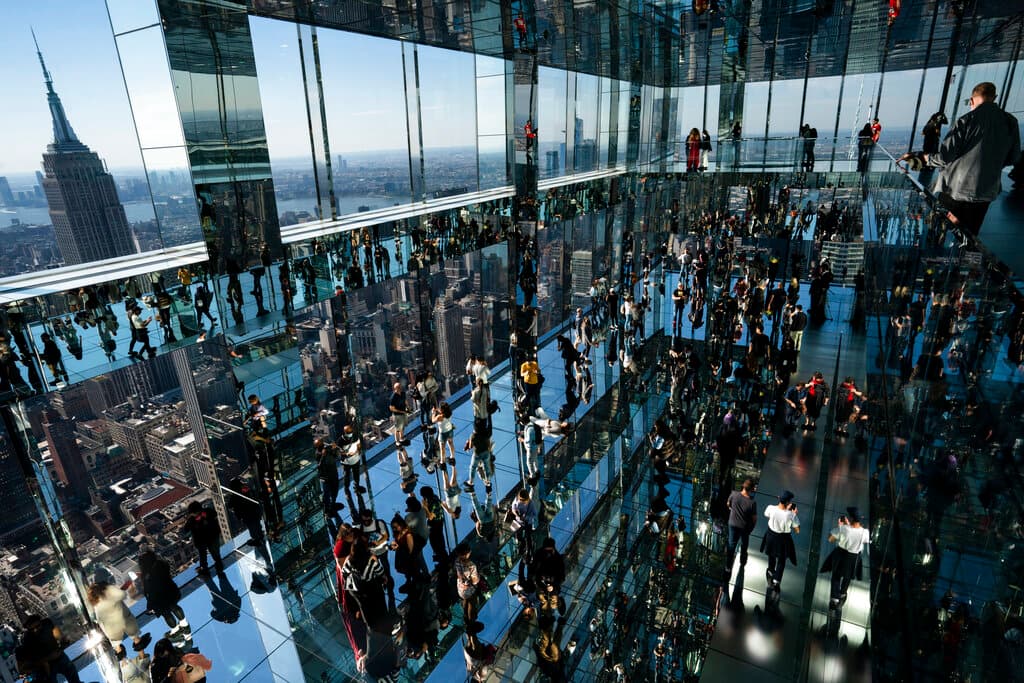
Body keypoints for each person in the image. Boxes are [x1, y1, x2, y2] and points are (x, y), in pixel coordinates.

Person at [900, 82, 1020, 237]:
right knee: (969, 236)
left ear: (971, 100)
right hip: (985, 191)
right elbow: (1014, 156)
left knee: (939, 230)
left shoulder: (966, 120)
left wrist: (923, 158)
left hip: (956, 189)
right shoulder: (1011, 122)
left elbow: (944, 157)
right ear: (994, 98)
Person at [139, 551, 190, 646]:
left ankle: (176, 631)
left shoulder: (147, 575)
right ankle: (185, 624)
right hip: (171, 591)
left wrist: (150, 605)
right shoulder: (161, 564)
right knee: (174, 606)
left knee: (166, 614)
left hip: (160, 599)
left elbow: (148, 592)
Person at [825, 507, 870, 608]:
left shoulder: (843, 529)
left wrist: (841, 526)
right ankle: (842, 594)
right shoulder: (864, 532)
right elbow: (864, 538)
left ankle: (834, 599)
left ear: (851, 518)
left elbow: (830, 539)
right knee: (848, 576)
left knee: (836, 575)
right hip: (854, 558)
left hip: (841, 555)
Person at [15, 615, 82, 683]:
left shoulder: (47, 623)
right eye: (32, 629)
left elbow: (57, 634)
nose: (35, 630)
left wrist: (61, 640)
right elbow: (34, 659)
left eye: (37, 626)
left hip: (58, 657)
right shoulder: (28, 639)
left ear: (40, 621)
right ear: (28, 629)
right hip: (48, 664)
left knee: (71, 672)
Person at [761, 490, 800, 588]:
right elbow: (797, 530)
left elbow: (766, 514)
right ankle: (776, 580)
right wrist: (794, 514)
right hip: (783, 539)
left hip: (771, 535)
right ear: (787, 502)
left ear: (779, 498)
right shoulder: (791, 515)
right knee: (782, 560)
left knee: (771, 555)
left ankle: (770, 571)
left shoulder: (770, 508)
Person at [183, 501, 223, 577]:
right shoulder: (195, 517)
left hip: (205, 539)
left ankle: (207, 569)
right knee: (212, 554)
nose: (191, 514)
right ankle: (217, 567)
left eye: (192, 513)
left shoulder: (204, 514)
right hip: (210, 538)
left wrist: (203, 518)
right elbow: (186, 529)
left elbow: (185, 529)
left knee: (206, 554)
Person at [726, 479, 757, 574]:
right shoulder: (752, 503)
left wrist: (732, 509)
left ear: (743, 486)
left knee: (731, 545)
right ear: (751, 489)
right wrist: (751, 529)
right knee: (744, 544)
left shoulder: (734, 494)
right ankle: (742, 561)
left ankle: (728, 567)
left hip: (732, 524)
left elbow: (728, 504)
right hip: (744, 527)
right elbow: (754, 519)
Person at [338, 424, 367, 495]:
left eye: (350, 432)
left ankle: (356, 485)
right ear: (344, 432)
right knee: (346, 475)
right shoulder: (340, 440)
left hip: (356, 459)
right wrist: (347, 454)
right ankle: (346, 488)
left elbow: (359, 445)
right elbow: (338, 453)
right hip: (346, 462)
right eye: (348, 433)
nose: (350, 434)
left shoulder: (355, 436)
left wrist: (357, 451)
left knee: (356, 474)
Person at [389, 382, 411, 446]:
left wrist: (408, 407)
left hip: (403, 413)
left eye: (400, 387)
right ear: (395, 388)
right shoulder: (393, 397)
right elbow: (391, 408)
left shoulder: (403, 393)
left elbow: (405, 401)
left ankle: (401, 438)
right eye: (398, 387)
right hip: (397, 415)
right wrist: (400, 411)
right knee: (397, 428)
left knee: (402, 426)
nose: (399, 388)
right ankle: (397, 441)